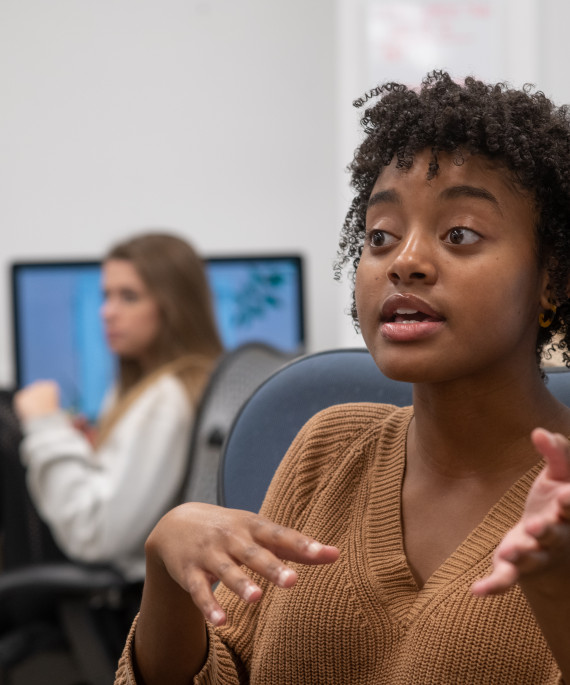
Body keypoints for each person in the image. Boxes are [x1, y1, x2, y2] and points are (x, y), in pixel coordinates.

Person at [115, 72, 570, 684]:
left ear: (553, 279)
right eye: (380, 236)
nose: (404, 261)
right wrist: (165, 563)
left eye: (459, 234)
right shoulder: (328, 448)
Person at [14, 232, 223, 580]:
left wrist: (44, 424)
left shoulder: (166, 399)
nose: (107, 312)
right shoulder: (160, 386)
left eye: (129, 297)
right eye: (106, 296)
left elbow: (93, 534)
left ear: (173, 306)